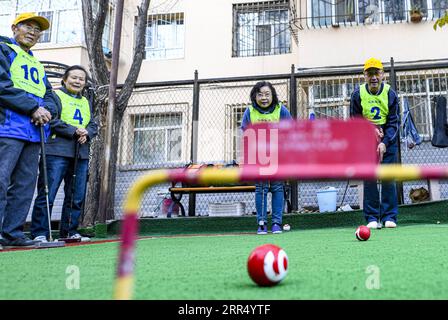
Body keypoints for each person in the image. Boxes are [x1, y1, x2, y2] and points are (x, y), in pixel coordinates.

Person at [0, 13, 57, 247]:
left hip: (34, 133)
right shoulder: (4, 50)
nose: (33, 32)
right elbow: (2, 85)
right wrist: (34, 107)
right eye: (28, 26)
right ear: (15, 28)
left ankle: (12, 234)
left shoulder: (36, 63)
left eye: (38, 30)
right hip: (7, 127)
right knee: (1, 180)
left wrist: (47, 110)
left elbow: (50, 96)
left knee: (24, 185)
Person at [31, 65, 98, 243]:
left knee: (76, 195)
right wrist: (74, 131)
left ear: (84, 83)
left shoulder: (86, 101)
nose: (77, 81)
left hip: (80, 153)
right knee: (48, 193)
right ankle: (40, 233)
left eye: (81, 79)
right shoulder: (54, 96)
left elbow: (93, 124)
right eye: (74, 77)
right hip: (57, 151)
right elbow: (51, 120)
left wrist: (87, 133)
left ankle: (69, 231)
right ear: (65, 79)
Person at [350, 57, 400, 229]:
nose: (373, 77)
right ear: (364, 75)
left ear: (382, 75)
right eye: (369, 73)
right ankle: (372, 217)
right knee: (369, 177)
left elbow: (394, 122)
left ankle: (389, 217)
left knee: (387, 177)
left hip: (388, 139)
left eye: (376, 73)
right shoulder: (357, 94)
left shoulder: (390, 93)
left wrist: (385, 142)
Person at [241, 81, 292, 234]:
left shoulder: (281, 110)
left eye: (267, 94)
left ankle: (276, 223)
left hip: (278, 156)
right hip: (258, 157)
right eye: (260, 94)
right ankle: (261, 223)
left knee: (277, 188)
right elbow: (245, 133)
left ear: (273, 95)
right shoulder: (249, 111)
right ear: (254, 96)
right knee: (261, 189)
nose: (264, 98)